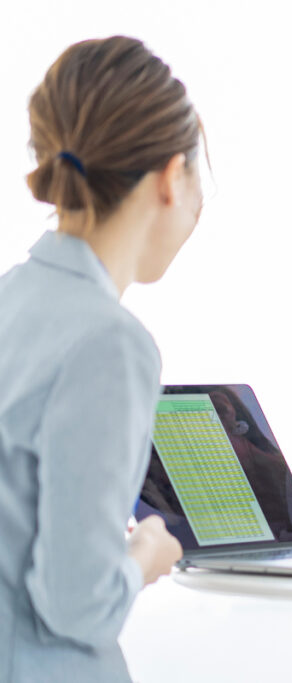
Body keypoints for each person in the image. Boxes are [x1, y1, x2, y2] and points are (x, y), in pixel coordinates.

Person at [0, 36, 205, 682]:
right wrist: (146, 552)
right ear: (171, 177)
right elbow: (76, 603)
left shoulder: (9, 300)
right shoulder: (110, 343)